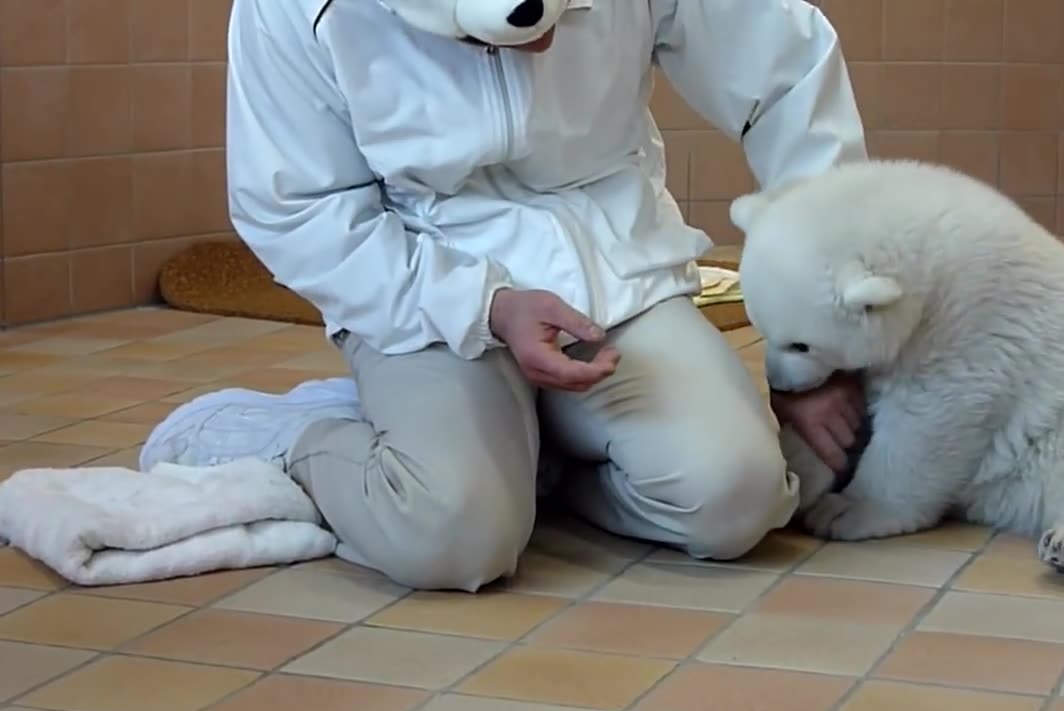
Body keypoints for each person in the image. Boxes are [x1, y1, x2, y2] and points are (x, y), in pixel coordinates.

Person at [141, 0, 869, 591]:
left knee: (736, 498)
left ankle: (522, 462)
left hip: (611, 262)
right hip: (418, 275)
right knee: (452, 537)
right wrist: (481, 305)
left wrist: (819, 348)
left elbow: (786, 78)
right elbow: (296, 208)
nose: (545, 47)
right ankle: (281, 437)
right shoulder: (293, 9)